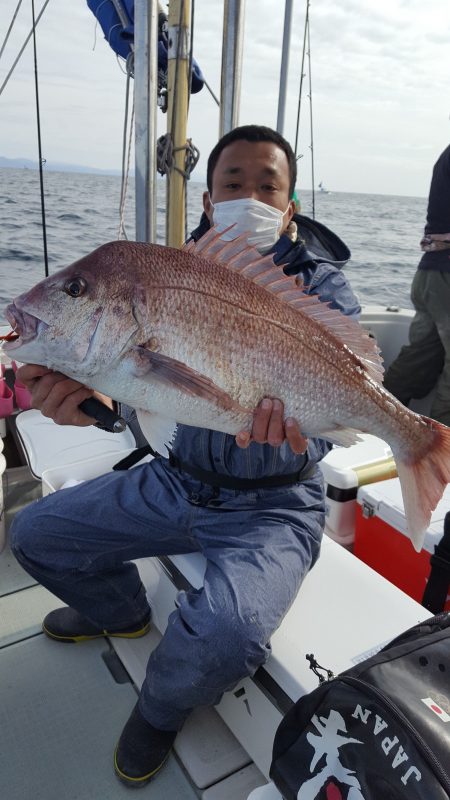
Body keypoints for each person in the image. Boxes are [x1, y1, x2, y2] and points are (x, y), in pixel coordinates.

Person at [10, 125, 360, 788]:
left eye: (268, 185)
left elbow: (334, 410)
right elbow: (150, 409)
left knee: (229, 634)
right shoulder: (166, 277)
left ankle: (160, 707)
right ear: (207, 199)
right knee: (33, 534)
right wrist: (96, 402)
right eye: (233, 183)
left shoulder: (323, 291)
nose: (248, 195)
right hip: (174, 484)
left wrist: (298, 431)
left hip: (275, 506)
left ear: (289, 206)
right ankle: (123, 611)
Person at [384, 145, 450, 425]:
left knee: (419, 358)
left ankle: (377, 420)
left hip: (431, 274)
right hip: (445, 277)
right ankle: (444, 453)